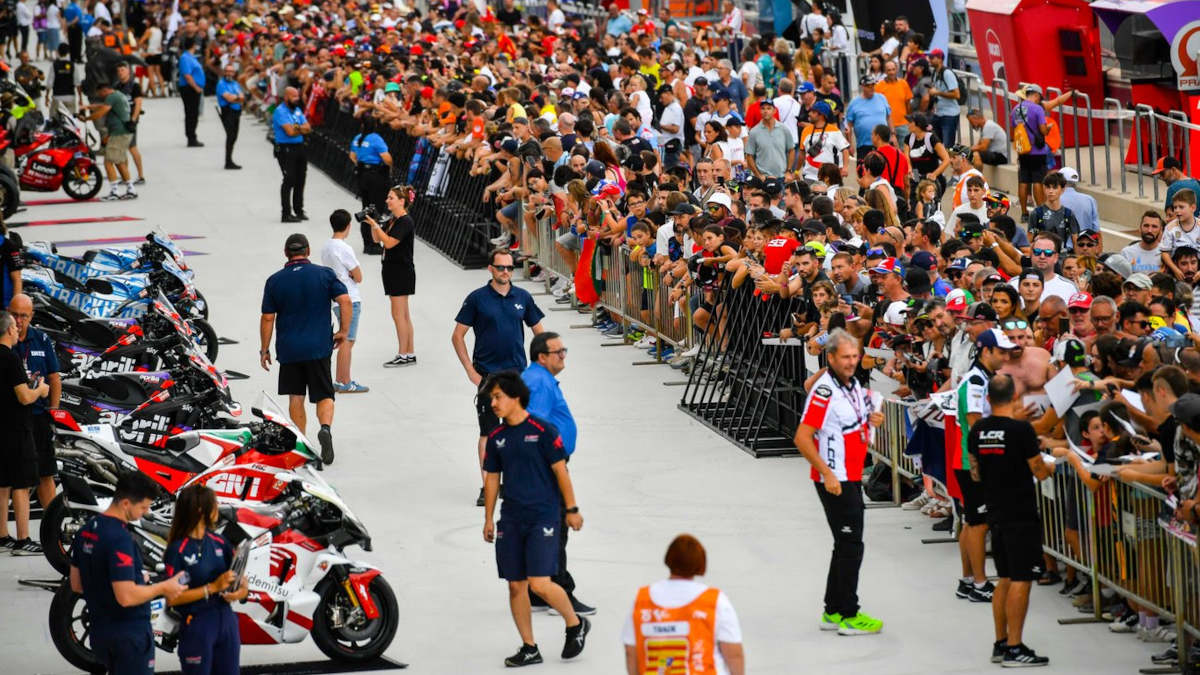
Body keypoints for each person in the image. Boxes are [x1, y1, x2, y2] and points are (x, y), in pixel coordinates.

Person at [480, 371, 590, 667]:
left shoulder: (543, 431)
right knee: (515, 585)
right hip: (511, 518)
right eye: (492, 398)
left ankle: (575, 624)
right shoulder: (497, 438)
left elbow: (561, 472)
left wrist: (571, 509)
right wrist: (489, 518)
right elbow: (492, 478)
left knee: (539, 583)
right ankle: (530, 647)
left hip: (543, 516)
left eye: (498, 397)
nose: (493, 403)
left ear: (516, 397)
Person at [793, 329, 885, 636]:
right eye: (845, 357)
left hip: (850, 473)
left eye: (855, 356)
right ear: (830, 358)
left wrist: (870, 420)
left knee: (845, 543)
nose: (851, 362)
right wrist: (828, 474)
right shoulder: (825, 390)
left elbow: (847, 422)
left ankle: (833, 610)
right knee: (851, 545)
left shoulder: (852, 384)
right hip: (835, 477)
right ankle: (848, 613)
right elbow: (802, 438)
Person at [969, 374, 1053, 667]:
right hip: (1021, 512)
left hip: (994, 510)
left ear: (988, 400)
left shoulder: (977, 430)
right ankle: (1015, 648)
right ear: (1015, 398)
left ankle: (1001, 642)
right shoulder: (1021, 431)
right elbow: (1039, 471)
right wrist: (1049, 463)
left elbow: (976, 473)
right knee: (1022, 579)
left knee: (1004, 577)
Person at [69, 472, 187, 674]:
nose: (146, 512)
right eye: (143, 507)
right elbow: (126, 596)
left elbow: (77, 584)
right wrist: (164, 587)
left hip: (100, 632)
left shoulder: (86, 530)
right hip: (129, 636)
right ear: (125, 503)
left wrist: (134, 577)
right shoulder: (120, 538)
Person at [454, 249, 546, 506]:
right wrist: (471, 373)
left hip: (517, 377)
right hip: (488, 377)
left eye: (509, 267)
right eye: (501, 267)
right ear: (490, 269)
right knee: (489, 433)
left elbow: (539, 333)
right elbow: (457, 336)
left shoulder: (523, 297)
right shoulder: (477, 299)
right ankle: (489, 485)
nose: (506, 272)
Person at [260, 233, 351, 465]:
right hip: (319, 347)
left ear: (285, 253)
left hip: (289, 349)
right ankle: (326, 429)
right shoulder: (324, 275)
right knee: (324, 394)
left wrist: (264, 349)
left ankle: (302, 445)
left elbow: (268, 318)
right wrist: (343, 331)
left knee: (296, 396)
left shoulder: (274, 281)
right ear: (308, 251)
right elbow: (346, 301)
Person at [521, 332, 595, 616]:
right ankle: (558, 590)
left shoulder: (537, 378)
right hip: (548, 464)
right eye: (559, 352)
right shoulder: (539, 382)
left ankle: (538, 590)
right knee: (557, 526)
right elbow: (535, 425)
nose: (564, 356)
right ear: (542, 357)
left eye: (565, 350)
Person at [621, 535, 745, 675]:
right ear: (700, 563)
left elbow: (630, 651)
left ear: (669, 559)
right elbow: (734, 655)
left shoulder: (642, 599)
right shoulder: (714, 601)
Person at [164, 485, 247, 674]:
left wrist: (240, 591)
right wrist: (212, 588)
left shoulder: (220, 542)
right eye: (215, 504)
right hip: (198, 624)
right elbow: (172, 598)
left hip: (226, 620)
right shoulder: (178, 550)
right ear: (201, 510)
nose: (218, 508)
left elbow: (241, 579)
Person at [0, 309, 49, 554]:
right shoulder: (10, 358)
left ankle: (1, 536)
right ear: (9, 329)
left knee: (3, 483)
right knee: (21, 484)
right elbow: (24, 396)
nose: (18, 328)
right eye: (15, 325)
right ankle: (22, 539)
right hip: (16, 428)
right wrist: (40, 390)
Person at [9, 293, 58, 526]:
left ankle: (53, 524)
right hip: (12, 417)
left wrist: (54, 411)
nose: (18, 321)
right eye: (14, 315)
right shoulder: (4, 341)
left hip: (38, 416)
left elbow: (54, 378)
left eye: (23, 316)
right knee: (15, 476)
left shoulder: (42, 340)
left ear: (32, 316)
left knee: (45, 472)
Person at [365, 185, 417, 367]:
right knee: (403, 314)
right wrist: (375, 225)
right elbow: (376, 239)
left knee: (398, 314)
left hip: (400, 271)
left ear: (402, 201)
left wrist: (375, 226)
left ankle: (403, 354)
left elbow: (388, 243)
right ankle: (409, 352)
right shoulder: (393, 220)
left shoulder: (405, 221)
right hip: (393, 270)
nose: (387, 201)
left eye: (391, 198)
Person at [321, 210, 367, 394]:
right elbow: (359, 276)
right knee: (348, 340)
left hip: (335, 299)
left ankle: (340, 380)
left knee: (344, 339)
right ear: (348, 226)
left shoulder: (326, 247)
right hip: (350, 299)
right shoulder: (344, 248)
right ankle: (344, 381)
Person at [85, 80, 136, 201]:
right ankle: (131, 189)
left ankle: (114, 192)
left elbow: (102, 111)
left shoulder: (111, 97)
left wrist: (87, 118)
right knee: (120, 162)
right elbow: (103, 105)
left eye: (100, 93)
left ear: (105, 90)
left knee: (108, 162)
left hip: (119, 133)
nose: (101, 96)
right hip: (124, 132)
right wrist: (89, 106)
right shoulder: (119, 95)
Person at [349, 117, 392, 255]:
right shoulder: (375, 138)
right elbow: (386, 158)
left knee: (366, 208)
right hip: (376, 176)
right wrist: (390, 168)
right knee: (375, 210)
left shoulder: (357, 138)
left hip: (362, 175)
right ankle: (374, 244)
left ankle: (367, 243)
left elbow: (352, 155)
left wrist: (360, 164)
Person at [273, 86, 311, 223]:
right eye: (294, 96)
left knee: (301, 179)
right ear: (286, 97)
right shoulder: (280, 111)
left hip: (299, 147)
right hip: (285, 149)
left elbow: (308, 128)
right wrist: (299, 129)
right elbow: (289, 132)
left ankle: (299, 209)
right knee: (289, 179)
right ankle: (286, 213)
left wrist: (297, 129)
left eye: (297, 96)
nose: (297, 99)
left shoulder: (297, 111)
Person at [844, 75, 890, 160]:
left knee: (885, 170)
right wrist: (849, 144)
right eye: (868, 86)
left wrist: (893, 135)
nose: (871, 88)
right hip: (864, 145)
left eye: (873, 85)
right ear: (862, 87)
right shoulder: (854, 103)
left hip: (883, 143)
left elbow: (889, 117)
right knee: (864, 171)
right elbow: (848, 126)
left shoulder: (882, 98)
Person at [114, 61, 146, 185]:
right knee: (122, 149)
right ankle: (126, 176)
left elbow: (138, 103)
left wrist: (133, 119)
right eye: (118, 71)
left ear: (128, 71)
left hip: (130, 121)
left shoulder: (135, 86)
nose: (120, 73)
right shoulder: (116, 87)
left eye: (122, 70)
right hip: (119, 121)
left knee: (132, 148)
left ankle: (141, 176)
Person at [927, 49, 961, 147]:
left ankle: (949, 162)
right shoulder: (935, 73)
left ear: (940, 59)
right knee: (936, 144)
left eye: (932, 58)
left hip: (949, 115)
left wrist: (937, 92)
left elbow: (956, 94)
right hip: (938, 113)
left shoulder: (947, 73)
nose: (930, 60)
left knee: (948, 146)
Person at [215, 62, 243, 170]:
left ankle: (230, 159)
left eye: (231, 71)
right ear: (224, 72)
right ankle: (228, 161)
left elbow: (241, 97)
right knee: (230, 136)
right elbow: (229, 98)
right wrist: (236, 98)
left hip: (236, 111)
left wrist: (235, 98)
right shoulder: (221, 84)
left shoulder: (235, 83)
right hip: (227, 112)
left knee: (234, 136)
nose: (229, 73)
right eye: (227, 71)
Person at [177, 37, 204, 147]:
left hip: (193, 88)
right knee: (191, 113)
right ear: (193, 45)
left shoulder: (190, 57)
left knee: (194, 113)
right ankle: (191, 137)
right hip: (189, 88)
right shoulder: (185, 57)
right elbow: (187, 75)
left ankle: (192, 135)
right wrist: (196, 87)